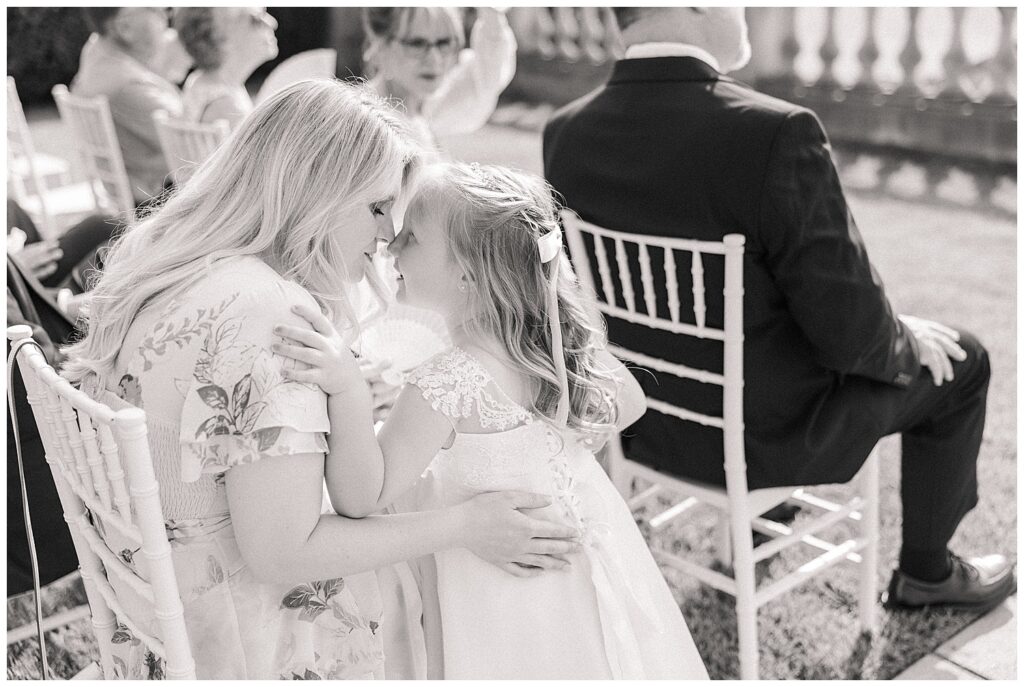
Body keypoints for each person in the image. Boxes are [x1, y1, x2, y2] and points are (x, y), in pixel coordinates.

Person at [61, 80, 579, 680]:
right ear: (317, 191)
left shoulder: (179, 268)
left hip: (157, 611)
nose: (388, 237)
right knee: (431, 582)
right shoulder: (267, 316)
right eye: (379, 207)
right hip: (238, 635)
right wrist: (464, 527)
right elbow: (283, 552)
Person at [542, 6, 1014, 612]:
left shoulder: (566, 132)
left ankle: (769, 520)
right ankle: (927, 571)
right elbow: (852, 336)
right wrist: (902, 340)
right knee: (964, 359)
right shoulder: (775, 131)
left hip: (646, 422)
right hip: (767, 439)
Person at [273, 161, 709, 679]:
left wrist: (346, 388)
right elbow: (631, 401)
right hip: (578, 576)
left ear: (467, 272)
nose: (391, 245)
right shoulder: (550, 355)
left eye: (412, 235)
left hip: (493, 591)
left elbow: (361, 496)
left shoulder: (450, 381)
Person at [72, 7, 186, 203]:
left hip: (131, 195)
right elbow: (195, 139)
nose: (166, 21)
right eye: (158, 11)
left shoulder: (95, 53)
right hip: (159, 201)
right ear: (124, 27)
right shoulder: (127, 85)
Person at [362, 7, 517, 148]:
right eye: (416, 44)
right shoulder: (363, 118)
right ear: (381, 46)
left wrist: (491, 11)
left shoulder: (431, 107)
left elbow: (490, 70)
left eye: (444, 43)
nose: (434, 59)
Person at [174, 7, 279, 128]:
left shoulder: (200, 81)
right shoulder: (227, 109)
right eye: (255, 19)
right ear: (219, 37)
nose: (272, 23)